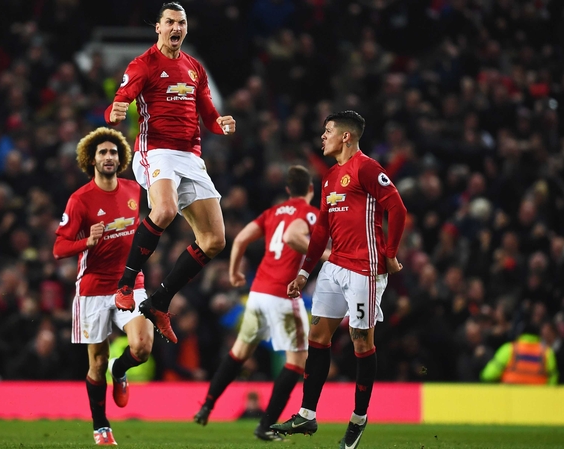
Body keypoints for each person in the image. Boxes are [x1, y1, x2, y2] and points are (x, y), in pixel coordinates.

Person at [270, 111, 407, 449]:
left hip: (365, 266)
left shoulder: (366, 168)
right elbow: (321, 231)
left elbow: (398, 208)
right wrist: (304, 272)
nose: (322, 137)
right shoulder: (331, 176)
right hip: (335, 267)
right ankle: (307, 413)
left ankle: (358, 418)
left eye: (328, 131)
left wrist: (389, 253)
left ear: (346, 136)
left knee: (361, 339)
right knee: (317, 337)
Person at [105, 2, 236, 344]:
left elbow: (208, 115)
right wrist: (114, 112)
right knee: (163, 209)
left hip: (190, 155)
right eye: (169, 22)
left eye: (181, 23)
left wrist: (221, 125)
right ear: (158, 28)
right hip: (156, 150)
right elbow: (121, 99)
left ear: (186, 29)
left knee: (215, 240)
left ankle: (160, 300)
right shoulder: (143, 64)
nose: (176, 28)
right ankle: (125, 285)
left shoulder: (195, 68)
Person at [193, 165, 329, 441]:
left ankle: (207, 404)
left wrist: (233, 271)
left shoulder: (274, 212)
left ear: (289, 189)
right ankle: (266, 424)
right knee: (298, 361)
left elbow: (241, 237)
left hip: (257, 293)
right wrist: (326, 255)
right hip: (282, 296)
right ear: (311, 190)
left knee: (240, 350)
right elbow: (293, 236)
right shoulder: (310, 214)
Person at [53, 127, 155, 446]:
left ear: (120, 158)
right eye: (102, 153)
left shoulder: (135, 191)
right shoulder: (80, 199)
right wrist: (87, 240)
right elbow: (59, 248)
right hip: (93, 290)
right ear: (92, 159)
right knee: (96, 362)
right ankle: (101, 426)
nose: (108, 157)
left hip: (129, 284)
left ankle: (121, 370)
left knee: (142, 347)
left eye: (113, 152)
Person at [480, 323, 558, 385]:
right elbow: (553, 379)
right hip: (537, 397)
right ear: (539, 336)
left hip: (510, 396)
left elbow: (489, 375)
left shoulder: (509, 349)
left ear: (520, 334)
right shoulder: (547, 352)